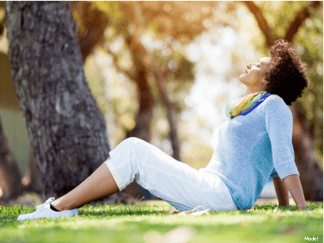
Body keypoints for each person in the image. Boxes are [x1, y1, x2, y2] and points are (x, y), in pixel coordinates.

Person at [17, 39, 310, 221]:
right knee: (133, 151)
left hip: (220, 195)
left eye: (258, 64)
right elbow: (273, 166)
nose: (251, 63)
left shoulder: (273, 106)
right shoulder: (254, 109)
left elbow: (285, 162)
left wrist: (302, 211)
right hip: (211, 188)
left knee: (133, 150)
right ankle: (61, 206)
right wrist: (281, 208)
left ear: (270, 76)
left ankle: (58, 208)